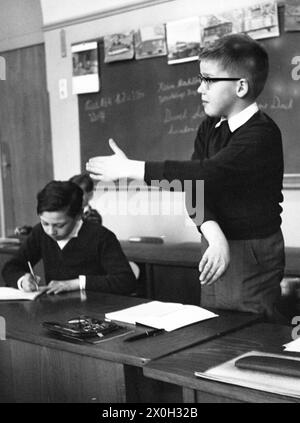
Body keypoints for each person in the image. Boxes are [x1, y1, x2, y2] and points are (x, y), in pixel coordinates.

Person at [86, 33, 285, 321]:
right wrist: (212, 232)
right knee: (213, 328)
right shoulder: (210, 126)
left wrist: (134, 169)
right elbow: (193, 186)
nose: (199, 88)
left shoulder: (261, 133)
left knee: (246, 332)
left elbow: (209, 172)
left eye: (208, 80)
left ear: (241, 86)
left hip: (250, 249)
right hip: (216, 242)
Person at [2, 180, 136, 295]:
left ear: (78, 216)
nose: (50, 231)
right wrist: (22, 280)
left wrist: (75, 284)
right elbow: (11, 268)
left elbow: (125, 281)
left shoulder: (101, 236)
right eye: (45, 223)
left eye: (59, 225)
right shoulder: (40, 233)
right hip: (57, 310)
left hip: (96, 311)